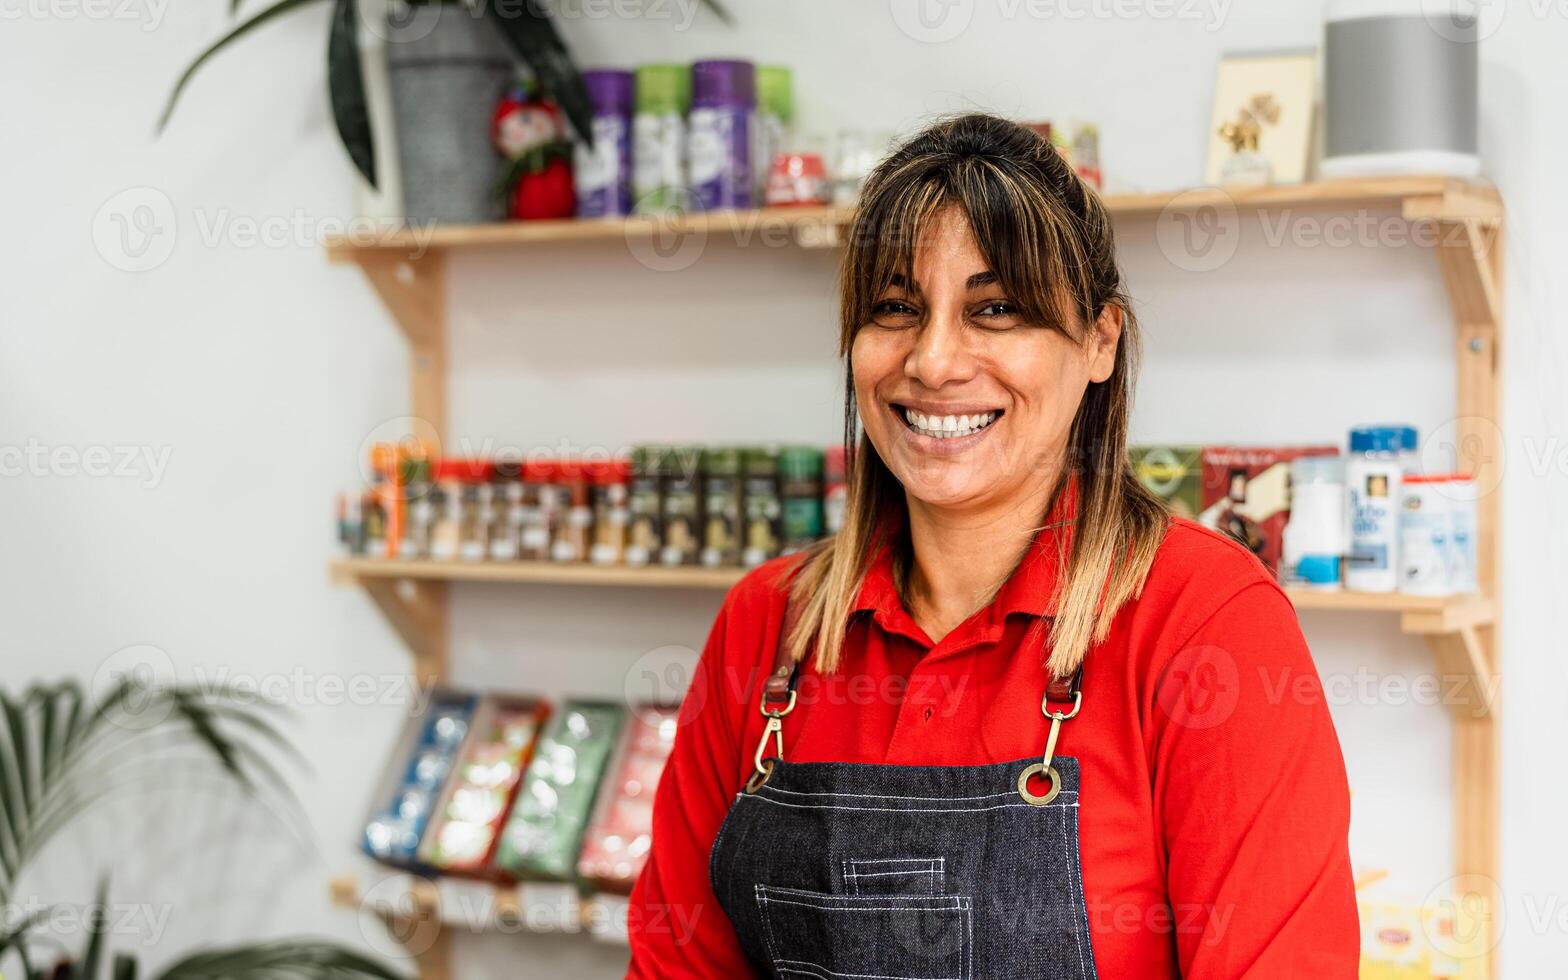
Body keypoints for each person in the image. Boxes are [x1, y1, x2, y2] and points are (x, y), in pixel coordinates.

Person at [627, 113, 1358, 979]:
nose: (934, 362)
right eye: (896, 308)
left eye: (996, 309)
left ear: (1098, 341)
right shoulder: (768, 624)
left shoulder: (1205, 624)